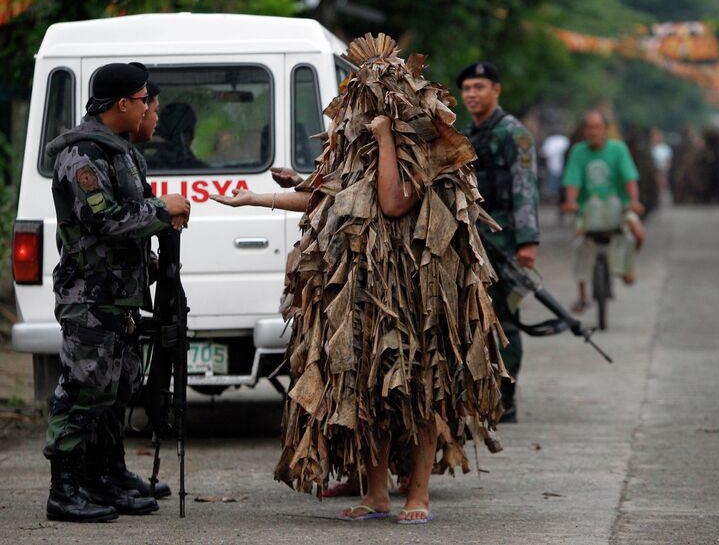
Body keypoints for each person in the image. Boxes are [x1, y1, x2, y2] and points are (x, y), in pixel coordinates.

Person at [212, 34, 507, 524]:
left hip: (416, 288)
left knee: (417, 388)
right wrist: (258, 199)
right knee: (366, 387)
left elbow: (392, 203)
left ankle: (418, 495)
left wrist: (389, 137)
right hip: (361, 283)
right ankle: (376, 494)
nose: (362, 114)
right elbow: (332, 200)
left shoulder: (430, 148)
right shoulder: (361, 146)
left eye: (372, 104)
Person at [43, 62, 190, 522]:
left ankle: (104, 475)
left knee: (117, 387)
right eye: (144, 99)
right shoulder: (83, 155)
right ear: (123, 104)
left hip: (119, 296)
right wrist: (162, 210)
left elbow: (126, 219)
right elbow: (104, 220)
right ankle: (64, 489)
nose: (149, 107)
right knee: (83, 389)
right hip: (90, 298)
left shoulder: (120, 152)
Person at [456, 61, 540, 423]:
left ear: (496, 90)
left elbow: (525, 187)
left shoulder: (513, 133)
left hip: (505, 243)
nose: (472, 94)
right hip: (473, 240)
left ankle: (506, 397)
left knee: (505, 318)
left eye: (480, 87)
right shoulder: (465, 135)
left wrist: (527, 241)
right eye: (468, 88)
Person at [560, 110, 644, 312]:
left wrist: (633, 201)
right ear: (584, 130)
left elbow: (629, 179)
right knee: (579, 242)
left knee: (638, 233)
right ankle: (582, 295)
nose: (594, 131)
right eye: (589, 127)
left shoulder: (618, 149)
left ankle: (627, 267)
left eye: (598, 127)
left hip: (619, 206)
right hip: (588, 209)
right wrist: (571, 202)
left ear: (605, 129)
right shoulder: (578, 151)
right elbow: (572, 181)